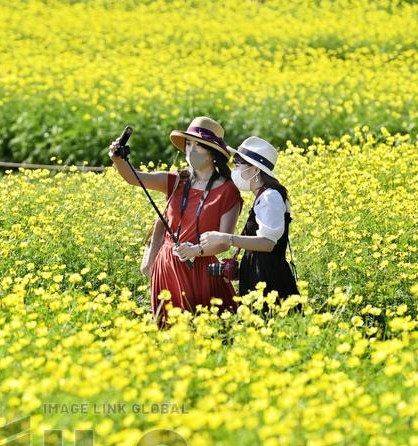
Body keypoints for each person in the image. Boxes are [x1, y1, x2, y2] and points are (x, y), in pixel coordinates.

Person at [109, 116, 242, 329]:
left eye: (199, 146)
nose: (191, 150)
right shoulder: (175, 180)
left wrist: (195, 251)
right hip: (167, 264)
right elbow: (135, 178)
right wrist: (118, 159)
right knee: (170, 334)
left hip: (201, 268)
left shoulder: (229, 191)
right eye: (188, 144)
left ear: (213, 154)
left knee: (211, 333)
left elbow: (225, 241)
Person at [199, 136, 300, 311]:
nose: (235, 170)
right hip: (260, 275)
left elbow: (267, 244)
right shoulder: (264, 196)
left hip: (270, 280)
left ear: (254, 169)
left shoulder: (271, 196)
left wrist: (225, 238)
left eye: (238, 164)